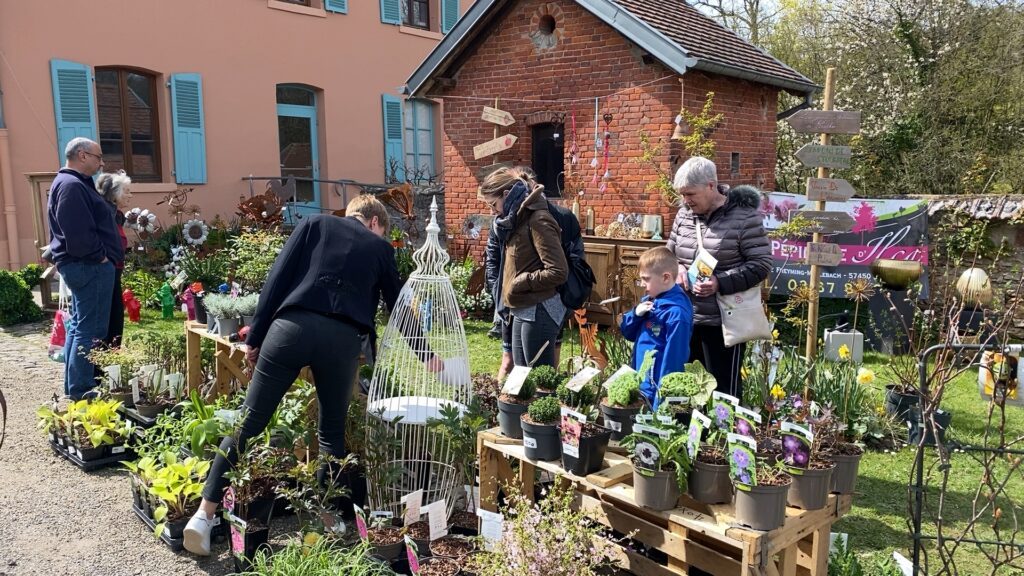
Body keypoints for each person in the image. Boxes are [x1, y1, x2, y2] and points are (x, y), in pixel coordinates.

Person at [183, 195, 443, 556]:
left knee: (248, 423)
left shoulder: (314, 224)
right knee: (330, 433)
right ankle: (325, 522)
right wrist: (427, 355)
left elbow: (276, 279)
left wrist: (254, 338)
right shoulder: (380, 248)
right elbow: (397, 304)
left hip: (290, 329)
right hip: (341, 341)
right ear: (373, 223)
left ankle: (203, 515)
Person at [665, 157, 773, 399]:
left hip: (724, 322)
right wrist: (678, 269)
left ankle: (724, 436)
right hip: (685, 317)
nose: (685, 200)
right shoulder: (684, 215)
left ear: (711, 186)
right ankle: (690, 435)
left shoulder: (745, 218)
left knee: (723, 390)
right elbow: (669, 252)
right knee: (686, 389)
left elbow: (761, 264)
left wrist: (719, 282)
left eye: (690, 194)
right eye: (682, 195)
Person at [484, 171, 582, 378]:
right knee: (522, 379)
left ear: (508, 194)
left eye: (493, 204)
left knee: (540, 382)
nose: (493, 211)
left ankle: (548, 410)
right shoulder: (517, 220)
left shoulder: (538, 219)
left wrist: (521, 281)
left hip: (541, 309)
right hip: (523, 307)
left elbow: (558, 271)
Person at [47, 137, 123, 400]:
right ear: (82, 155)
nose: (101, 163)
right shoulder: (71, 186)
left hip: (86, 266)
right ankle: (81, 390)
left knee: (81, 326)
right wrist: (100, 257)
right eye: (97, 157)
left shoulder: (74, 184)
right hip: (89, 267)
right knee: (90, 329)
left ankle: (74, 387)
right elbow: (77, 235)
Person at [619, 247, 693, 407]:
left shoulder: (676, 314)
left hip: (656, 390)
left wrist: (662, 400)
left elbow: (674, 360)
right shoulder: (651, 301)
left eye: (646, 279)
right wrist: (635, 314)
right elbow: (628, 333)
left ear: (665, 278)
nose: (642, 285)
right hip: (642, 384)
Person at [95, 171, 132, 348]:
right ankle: (102, 364)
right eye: (126, 191)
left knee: (116, 318)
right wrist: (105, 260)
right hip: (105, 271)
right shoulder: (105, 212)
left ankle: (111, 361)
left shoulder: (116, 214)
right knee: (109, 320)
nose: (130, 195)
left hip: (114, 272)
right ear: (115, 193)